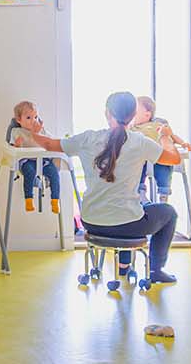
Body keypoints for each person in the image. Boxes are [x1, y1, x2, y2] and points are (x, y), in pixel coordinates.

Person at [25, 90, 182, 285]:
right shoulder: (140, 142)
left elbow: (49, 144)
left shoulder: (88, 139)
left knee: (131, 209)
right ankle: (156, 270)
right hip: (129, 226)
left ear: (107, 113)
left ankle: (125, 267)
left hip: (91, 222)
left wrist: (33, 132)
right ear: (133, 116)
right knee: (167, 212)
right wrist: (166, 137)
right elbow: (174, 158)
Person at [132, 95, 190, 202]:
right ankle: (140, 192)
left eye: (134, 111)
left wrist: (183, 143)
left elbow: (172, 135)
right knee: (136, 165)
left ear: (147, 114)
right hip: (143, 157)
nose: (131, 114)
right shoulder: (133, 127)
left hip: (161, 155)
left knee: (165, 167)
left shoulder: (158, 124)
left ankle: (164, 194)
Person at [7, 100, 61, 213]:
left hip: (42, 160)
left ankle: (55, 200)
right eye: (28, 117)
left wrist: (39, 133)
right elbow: (12, 147)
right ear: (18, 120)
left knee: (54, 173)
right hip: (27, 161)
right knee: (29, 172)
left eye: (35, 117)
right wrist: (17, 144)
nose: (33, 121)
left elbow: (51, 142)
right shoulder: (16, 131)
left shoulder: (42, 130)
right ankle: (29, 199)